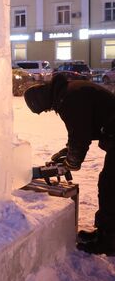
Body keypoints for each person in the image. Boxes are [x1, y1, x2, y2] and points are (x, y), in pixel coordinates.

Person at [24, 73, 115, 256]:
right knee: (109, 185)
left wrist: (71, 163)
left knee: (110, 187)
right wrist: (66, 152)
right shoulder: (69, 91)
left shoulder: (69, 99)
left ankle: (108, 242)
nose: (49, 111)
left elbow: (80, 137)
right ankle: (105, 234)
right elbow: (82, 130)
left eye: (45, 109)